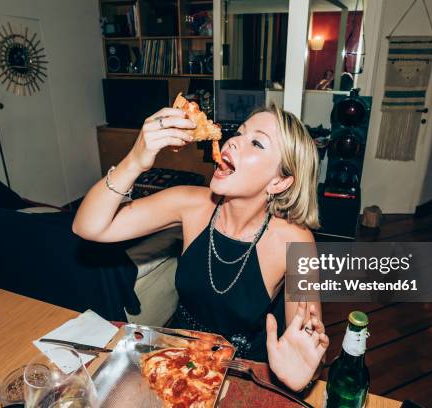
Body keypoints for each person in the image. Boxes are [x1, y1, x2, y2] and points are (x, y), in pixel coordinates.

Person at [72, 104, 329, 392]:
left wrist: (304, 372)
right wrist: (135, 160)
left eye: (256, 142)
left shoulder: (296, 241)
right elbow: (88, 227)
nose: (233, 140)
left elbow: (305, 341)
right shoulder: (189, 203)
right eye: (240, 132)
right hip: (180, 362)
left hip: (243, 374)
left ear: (279, 181)